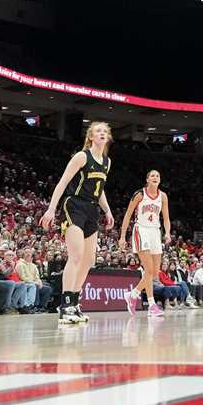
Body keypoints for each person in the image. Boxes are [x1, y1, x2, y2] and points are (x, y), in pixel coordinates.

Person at [41, 121, 115, 325]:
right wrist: (50, 209)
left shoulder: (107, 162)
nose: (101, 133)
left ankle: (74, 302)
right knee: (76, 256)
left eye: (104, 132)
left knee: (89, 260)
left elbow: (100, 190)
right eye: (97, 131)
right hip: (74, 204)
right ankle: (64, 305)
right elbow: (63, 182)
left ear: (108, 138)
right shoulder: (82, 156)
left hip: (92, 209)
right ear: (91, 137)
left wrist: (107, 210)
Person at [118, 169, 170, 319]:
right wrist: (122, 236)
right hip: (141, 230)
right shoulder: (140, 194)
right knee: (148, 270)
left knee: (154, 273)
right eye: (152, 175)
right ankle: (150, 303)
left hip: (155, 231)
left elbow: (166, 218)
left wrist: (167, 233)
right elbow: (128, 214)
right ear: (147, 179)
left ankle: (134, 295)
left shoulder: (163, 196)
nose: (155, 177)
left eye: (158, 176)